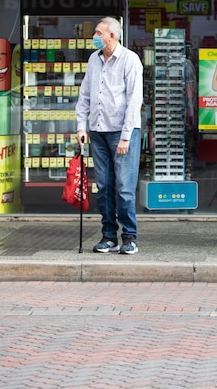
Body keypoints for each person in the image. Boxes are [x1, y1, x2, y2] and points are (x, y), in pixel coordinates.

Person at [76, 17, 144, 255]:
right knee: (104, 186)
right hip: (98, 130)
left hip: (122, 131)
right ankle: (108, 235)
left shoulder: (129, 60)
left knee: (124, 186)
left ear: (111, 36)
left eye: (98, 32)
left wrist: (126, 136)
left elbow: (134, 100)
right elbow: (85, 94)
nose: (94, 36)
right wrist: (81, 126)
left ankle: (129, 236)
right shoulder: (94, 60)